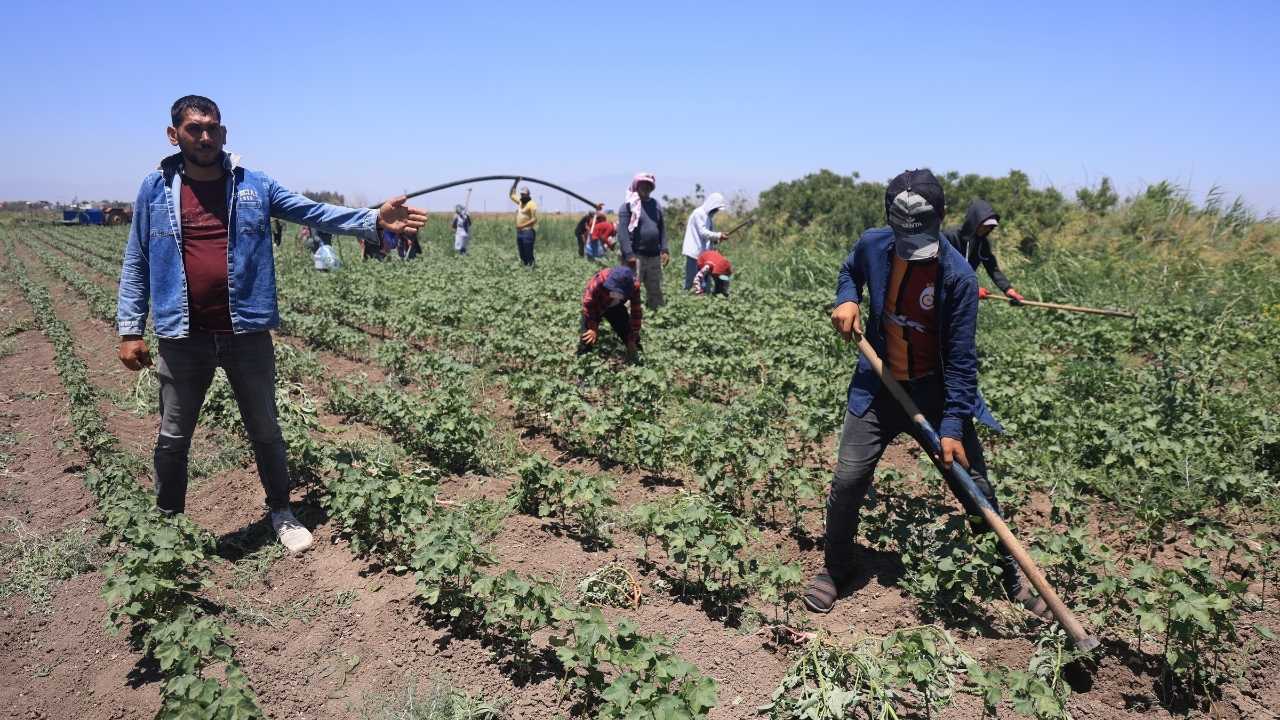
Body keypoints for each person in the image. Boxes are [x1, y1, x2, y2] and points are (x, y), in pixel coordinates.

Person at [116, 95, 427, 553]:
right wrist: (129, 328)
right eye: (194, 129)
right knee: (174, 435)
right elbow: (137, 258)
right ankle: (167, 526)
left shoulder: (253, 185)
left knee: (265, 428)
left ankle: (281, 511)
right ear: (173, 134)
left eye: (214, 128)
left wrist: (372, 218)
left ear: (224, 133)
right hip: (183, 337)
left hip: (246, 333)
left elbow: (313, 211)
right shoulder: (154, 189)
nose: (205, 137)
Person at [804, 168, 1050, 620]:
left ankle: (1011, 578)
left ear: (940, 219)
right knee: (848, 480)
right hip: (878, 386)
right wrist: (848, 298)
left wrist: (953, 425)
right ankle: (838, 569)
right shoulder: (874, 244)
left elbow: (961, 362)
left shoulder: (956, 277)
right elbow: (849, 271)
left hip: (935, 395)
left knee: (973, 486)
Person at [944, 200, 1026, 305]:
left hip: (960, 297)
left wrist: (1008, 290)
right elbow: (942, 270)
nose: (987, 229)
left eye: (990, 226)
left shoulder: (982, 242)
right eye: (985, 225)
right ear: (975, 221)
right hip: (941, 294)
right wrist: (972, 290)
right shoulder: (949, 237)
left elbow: (992, 268)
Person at [616, 173, 668, 310]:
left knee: (655, 288)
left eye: (649, 185)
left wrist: (664, 249)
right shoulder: (628, 206)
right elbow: (622, 233)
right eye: (643, 184)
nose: (646, 187)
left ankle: (658, 316)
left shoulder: (655, 205)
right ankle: (627, 321)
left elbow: (662, 228)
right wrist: (628, 254)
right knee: (631, 288)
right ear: (636, 186)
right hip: (635, 255)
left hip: (654, 255)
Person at [578, 264, 642, 359]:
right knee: (588, 337)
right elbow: (588, 304)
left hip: (615, 307)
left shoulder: (634, 286)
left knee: (629, 334)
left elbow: (636, 310)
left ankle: (637, 358)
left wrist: (634, 334)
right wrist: (592, 327)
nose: (614, 293)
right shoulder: (599, 280)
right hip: (596, 306)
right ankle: (582, 360)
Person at [681, 192, 731, 292]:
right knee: (693, 281)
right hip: (695, 253)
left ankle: (703, 300)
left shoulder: (708, 217)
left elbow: (708, 236)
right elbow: (703, 232)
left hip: (704, 256)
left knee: (704, 282)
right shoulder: (699, 213)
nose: (716, 211)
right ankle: (688, 300)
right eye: (716, 208)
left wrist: (717, 239)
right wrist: (718, 235)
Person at [509, 178, 538, 267]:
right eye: (521, 195)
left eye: (524, 195)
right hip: (520, 233)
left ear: (528, 195)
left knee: (528, 253)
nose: (522, 196)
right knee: (522, 254)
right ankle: (526, 269)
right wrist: (516, 182)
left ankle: (532, 269)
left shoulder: (532, 204)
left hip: (528, 232)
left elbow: (534, 219)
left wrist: (521, 225)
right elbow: (512, 194)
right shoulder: (521, 202)